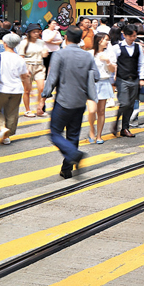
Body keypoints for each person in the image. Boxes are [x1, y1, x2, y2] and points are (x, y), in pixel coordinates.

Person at [42, 27, 101, 178]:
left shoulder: (60, 54)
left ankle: (74, 154)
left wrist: (44, 95)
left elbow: (52, 78)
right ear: (80, 38)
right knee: (73, 135)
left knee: (55, 133)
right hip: (80, 101)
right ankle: (67, 169)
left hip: (63, 101)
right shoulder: (87, 56)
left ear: (66, 38)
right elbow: (96, 76)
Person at [0, 33, 30, 145]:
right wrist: (28, 88)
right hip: (16, 90)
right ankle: (6, 137)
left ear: (5, 43)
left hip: (1, 89)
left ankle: (1, 127)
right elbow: (25, 76)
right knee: (12, 113)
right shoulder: (20, 59)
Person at [108, 25, 144, 138]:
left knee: (131, 105)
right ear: (124, 35)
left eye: (135, 36)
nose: (133, 38)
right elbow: (113, 63)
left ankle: (125, 128)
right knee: (124, 103)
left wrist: (142, 78)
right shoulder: (117, 48)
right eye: (131, 36)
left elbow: (141, 63)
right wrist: (112, 79)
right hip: (121, 79)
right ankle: (117, 121)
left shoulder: (138, 48)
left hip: (134, 79)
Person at [14, 24, 47, 118]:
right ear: (29, 33)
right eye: (34, 32)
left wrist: (45, 53)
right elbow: (21, 57)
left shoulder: (41, 42)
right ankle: (27, 110)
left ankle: (39, 108)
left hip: (39, 66)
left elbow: (44, 53)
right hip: (27, 66)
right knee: (27, 90)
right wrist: (24, 69)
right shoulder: (24, 43)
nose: (37, 33)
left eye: (38, 31)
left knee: (42, 88)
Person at [89, 33, 115, 144]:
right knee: (92, 110)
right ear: (99, 40)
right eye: (106, 40)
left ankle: (99, 135)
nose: (107, 42)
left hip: (104, 82)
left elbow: (113, 70)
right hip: (91, 83)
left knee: (101, 111)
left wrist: (107, 61)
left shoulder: (109, 53)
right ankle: (91, 130)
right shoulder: (90, 53)